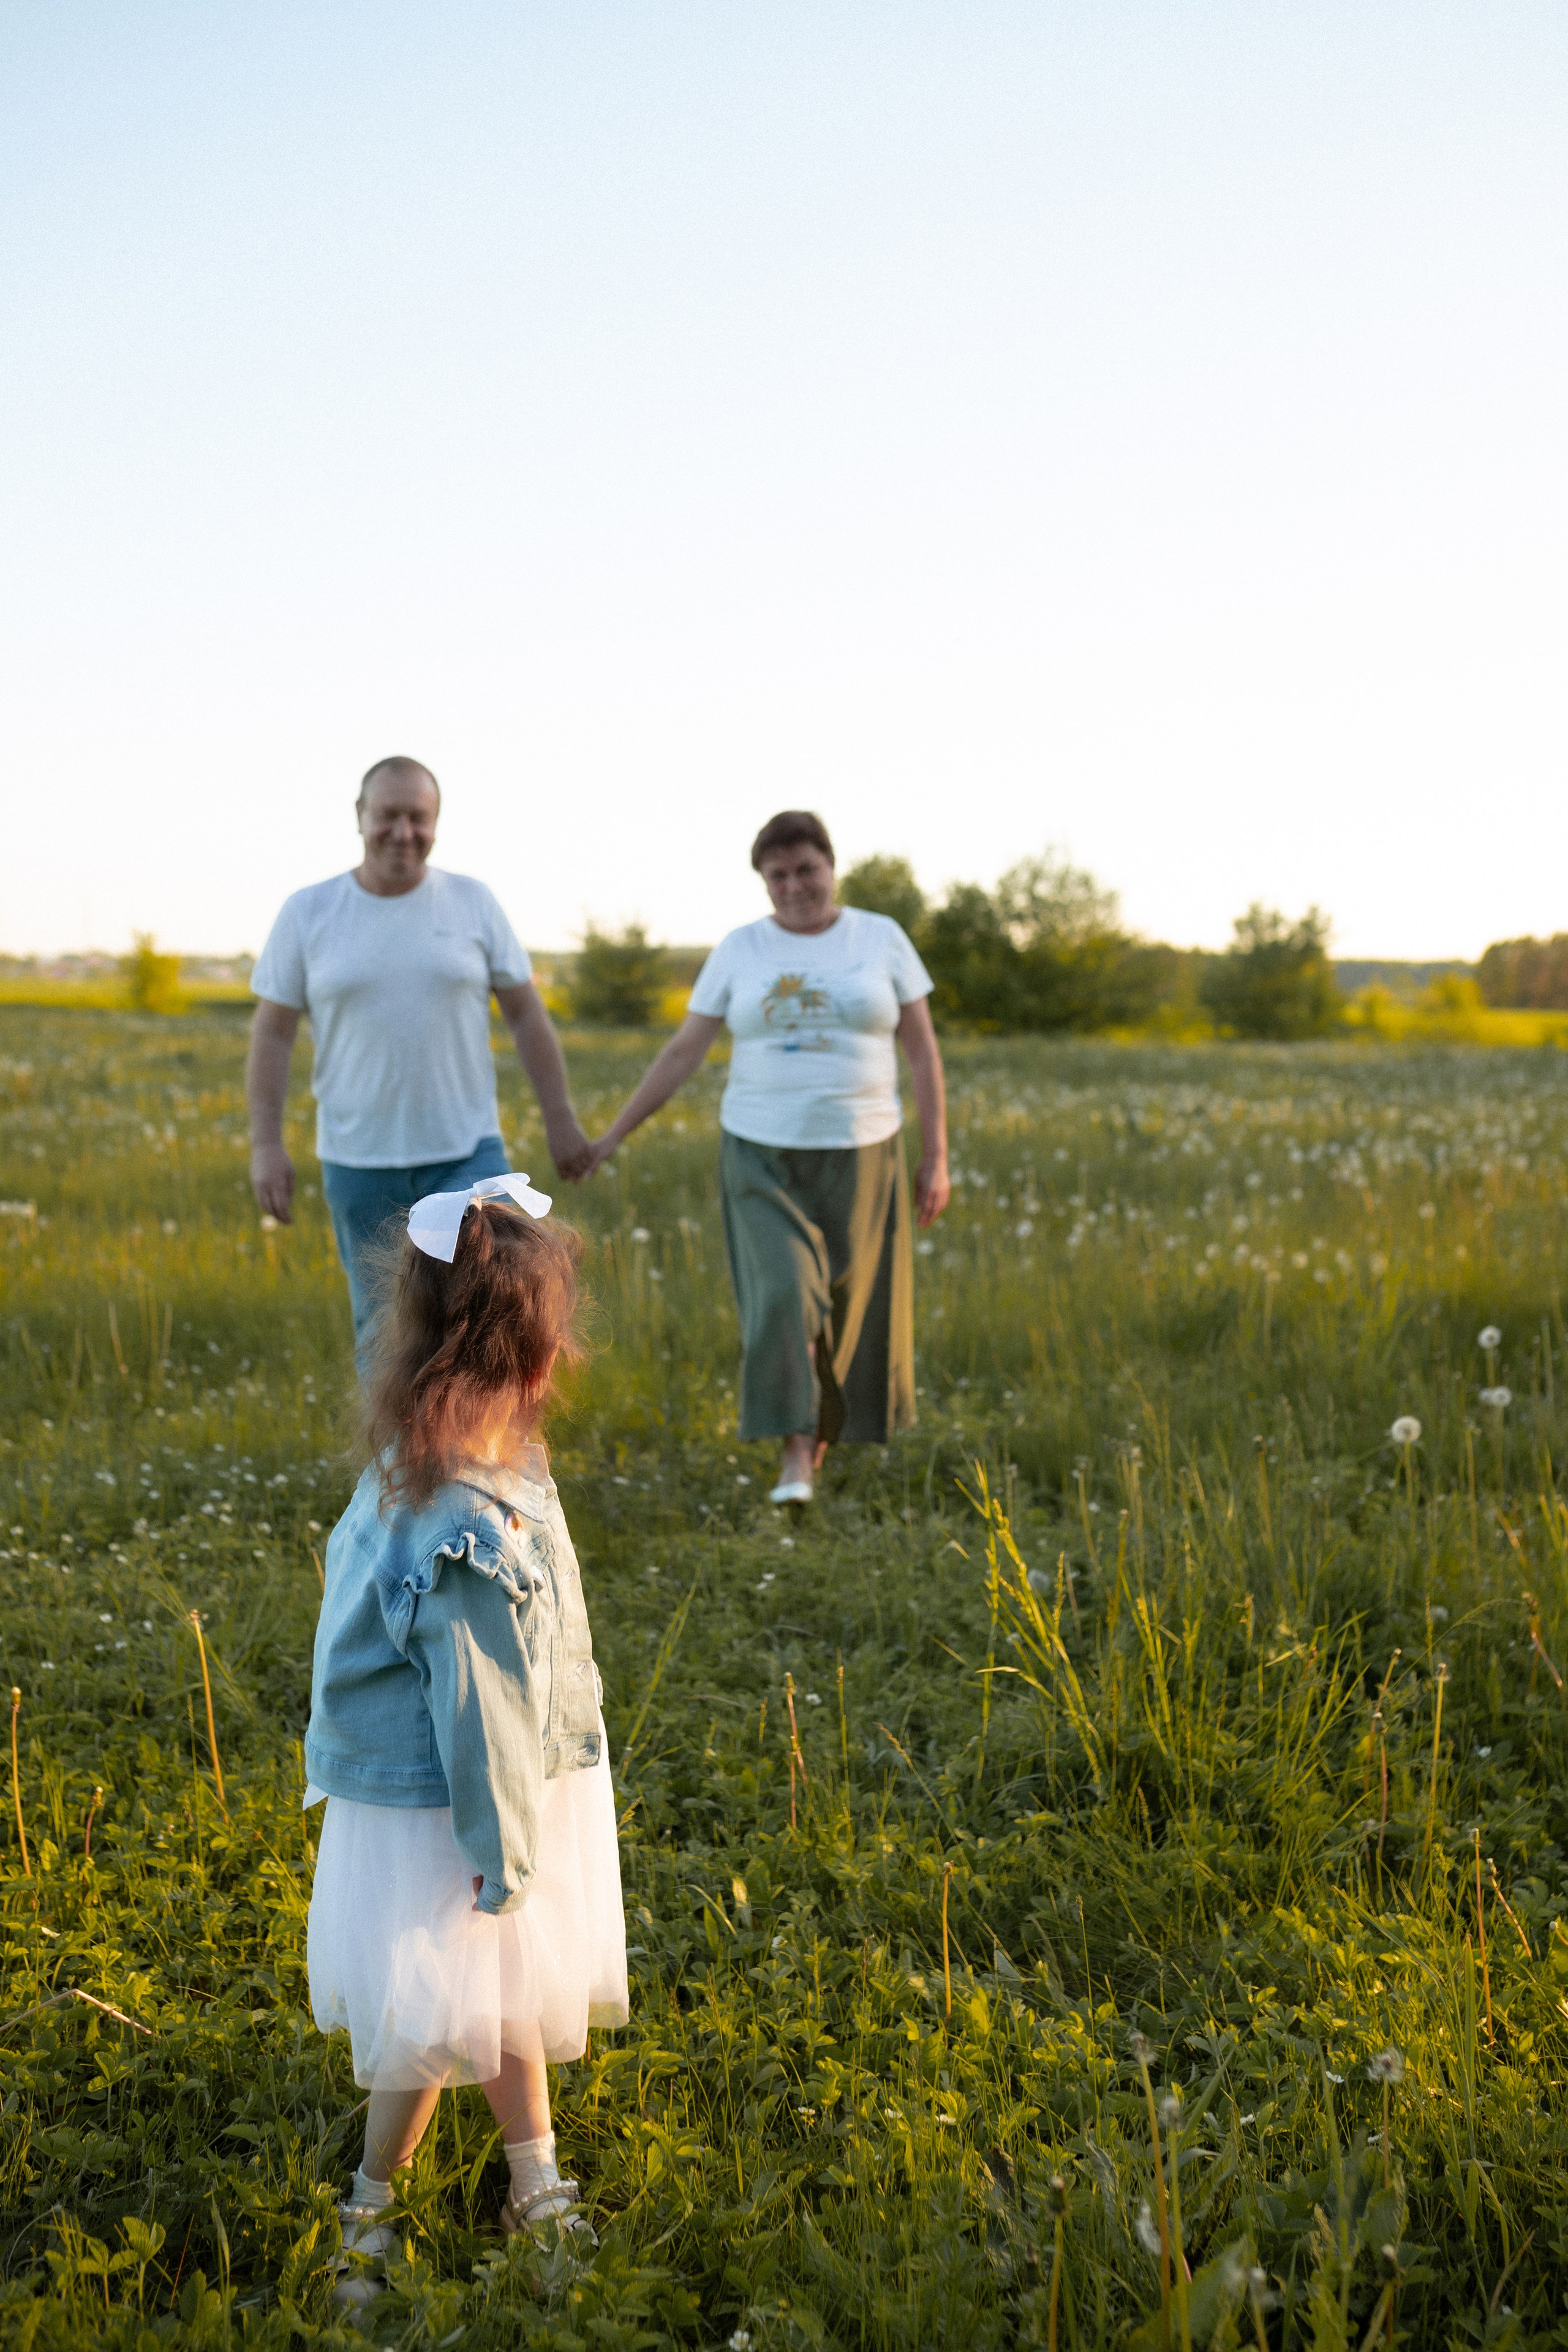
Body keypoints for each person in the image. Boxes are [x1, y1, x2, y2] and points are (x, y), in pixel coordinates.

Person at [304, 1175, 627, 2304]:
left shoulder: (438, 1463)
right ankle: (371, 2207)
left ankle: (532, 2171)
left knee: (498, 1990)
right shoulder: (467, 1529)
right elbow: (480, 1706)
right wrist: (505, 1848)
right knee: (431, 2017)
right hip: (457, 1806)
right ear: (538, 1364)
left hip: (457, 1794)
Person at [587, 810, 950, 1505]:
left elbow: (922, 1051)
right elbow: (684, 1050)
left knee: (850, 1309)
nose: (793, 886)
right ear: (762, 880)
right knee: (784, 1295)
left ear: (831, 867)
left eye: (806, 869)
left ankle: (818, 1436)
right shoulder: (740, 949)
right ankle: (794, 1456)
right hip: (759, 1153)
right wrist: (612, 1136)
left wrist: (936, 1158)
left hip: (865, 1149)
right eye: (777, 875)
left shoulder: (882, 939)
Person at [247, 756, 592, 1351]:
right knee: (386, 1334)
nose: (402, 832)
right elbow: (273, 1034)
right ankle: (397, 1450)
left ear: (435, 822)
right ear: (360, 816)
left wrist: (560, 1118)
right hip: (360, 1162)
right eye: (388, 815)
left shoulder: (473, 902)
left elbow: (524, 1013)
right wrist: (266, 1144)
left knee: (498, 1320)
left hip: (468, 1154)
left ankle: (498, 1449)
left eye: (418, 817)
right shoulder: (309, 912)